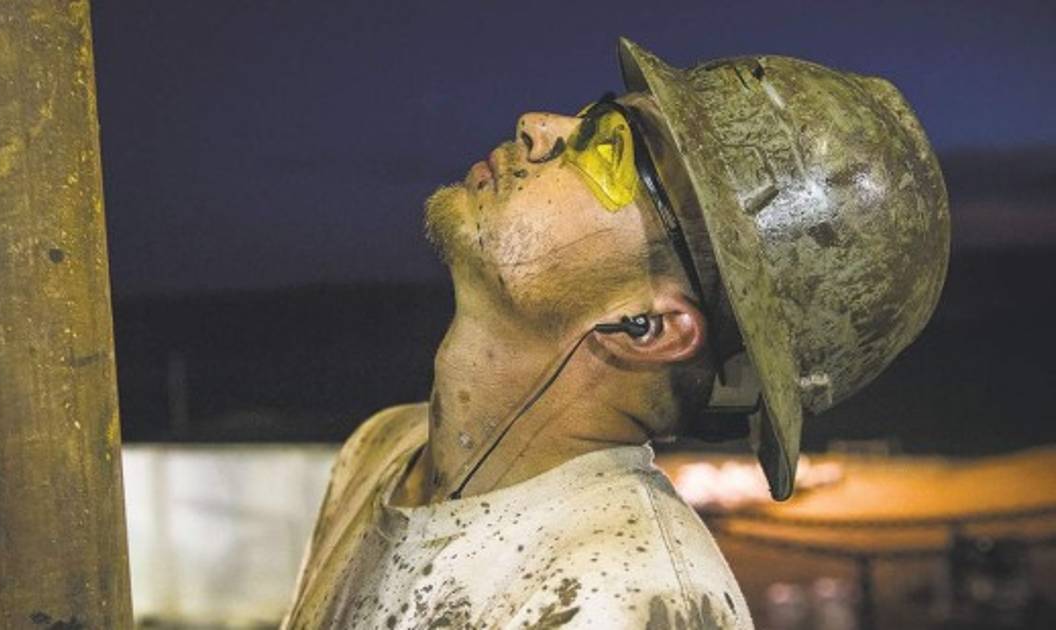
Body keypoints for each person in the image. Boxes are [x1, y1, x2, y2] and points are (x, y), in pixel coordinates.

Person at [281, 38, 949, 629]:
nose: (538, 126)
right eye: (596, 117)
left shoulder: (628, 596)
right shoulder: (382, 451)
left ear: (651, 328)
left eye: (611, 149)